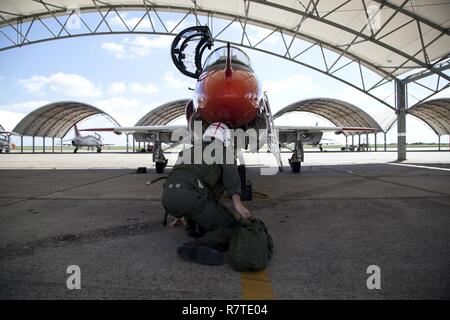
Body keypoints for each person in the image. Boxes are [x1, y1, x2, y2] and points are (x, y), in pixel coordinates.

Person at [162, 122, 250, 265]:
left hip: (167, 199)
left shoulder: (185, 152)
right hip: (191, 198)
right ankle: (202, 246)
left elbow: (177, 177)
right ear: (225, 138)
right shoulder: (222, 150)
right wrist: (237, 203)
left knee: (197, 201)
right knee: (231, 226)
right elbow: (231, 175)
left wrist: (178, 214)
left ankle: (193, 227)